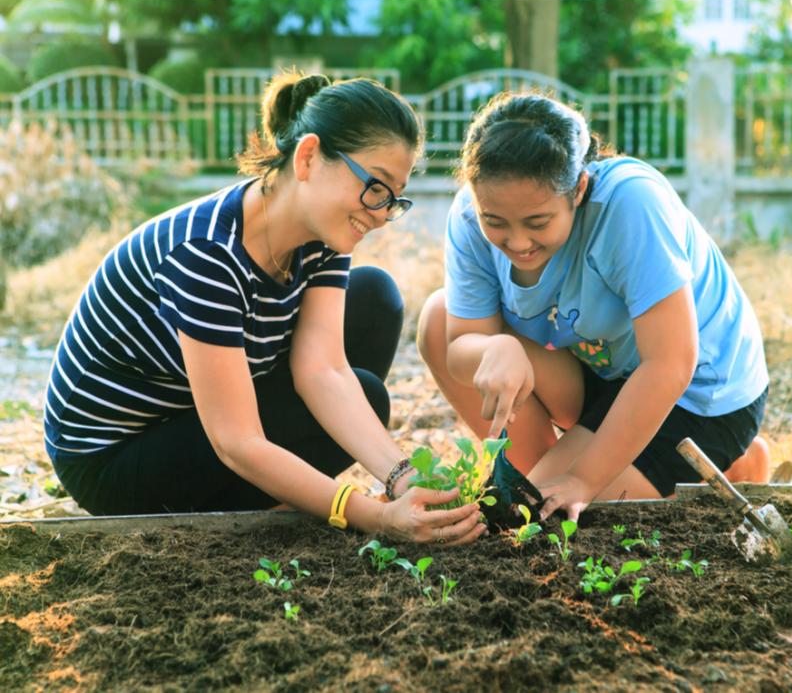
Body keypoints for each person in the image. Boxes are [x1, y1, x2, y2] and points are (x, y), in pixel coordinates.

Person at [43, 72, 483, 546]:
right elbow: (237, 442)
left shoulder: (323, 236)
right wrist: (371, 517)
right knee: (368, 395)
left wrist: (401, 477)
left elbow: (324, 372)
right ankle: (276, 497)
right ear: (309, 157)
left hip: (196, 413)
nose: (379, 213)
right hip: (115, 459)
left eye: (392, 199)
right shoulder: (206, 252)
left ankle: (280, 493)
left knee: (372, 300)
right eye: (374, 187)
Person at [417, 92, 770, 523]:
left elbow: (671, 363)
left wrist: (583, 479)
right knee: (438, 318)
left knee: (557, 510)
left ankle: (733, 464)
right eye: (496, 221)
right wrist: (493, 350)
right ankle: (549, 472)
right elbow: (456, 347)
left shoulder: (631, 203)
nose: (518, 242)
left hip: (697, 391)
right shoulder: (470, 218)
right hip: (603, 372)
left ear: (579, 189)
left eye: (538, 222)